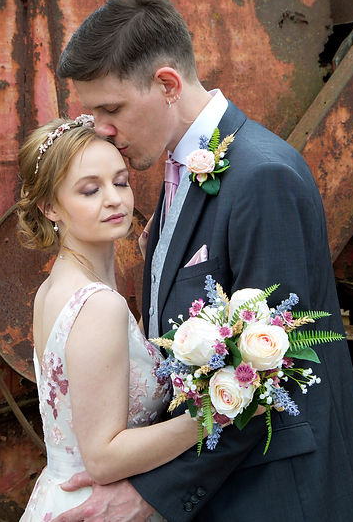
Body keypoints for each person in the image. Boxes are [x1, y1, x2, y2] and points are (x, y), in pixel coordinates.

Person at [51, 0, 353, 521]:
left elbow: (269, 370)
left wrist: (151, 494)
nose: (101, 130)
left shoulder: (262, 177)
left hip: (278, 498)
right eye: (93, 113)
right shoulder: (181, 169)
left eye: (111, 109)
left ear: (167, 85)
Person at [16, 115, 214, 522]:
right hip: (99, 506)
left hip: (62, 495)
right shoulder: (97, 305)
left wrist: (155, 272)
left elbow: (121, 364)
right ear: (49, 207)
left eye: (120, 182)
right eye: (90, 190)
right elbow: (103, 458)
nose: (113, 199)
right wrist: (216, 415)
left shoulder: (54, 288)